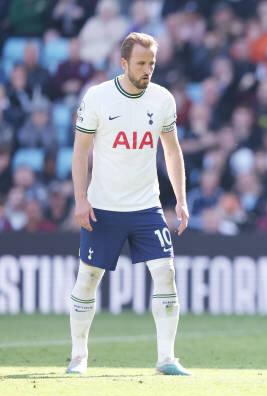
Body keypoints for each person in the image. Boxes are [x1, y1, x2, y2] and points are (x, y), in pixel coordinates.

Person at [67, 32, 190, 375]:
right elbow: (81, 151)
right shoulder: (98, 98)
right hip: (104, 206)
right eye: (141, 63)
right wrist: (80, 199)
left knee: (166, 273)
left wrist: (180, 200)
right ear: (123, 63)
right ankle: (79, 357)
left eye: (151, 63)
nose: (147, 69)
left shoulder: (163, 99)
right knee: (88, 278)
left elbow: (171, 150)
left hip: (146, 206)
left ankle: (166, 359)